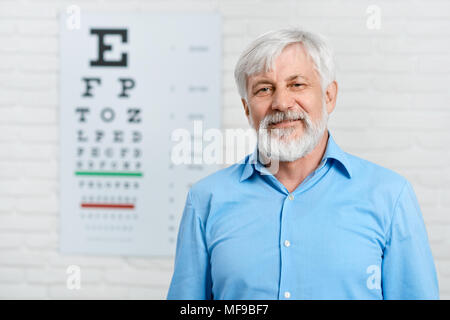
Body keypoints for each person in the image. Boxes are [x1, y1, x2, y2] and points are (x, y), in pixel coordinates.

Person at [166, 27, 439, 300]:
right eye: (264, 89)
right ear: (247, 108)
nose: (282, 103)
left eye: (297, 84)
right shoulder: (205, 200)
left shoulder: (390, 196)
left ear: (329, 96)